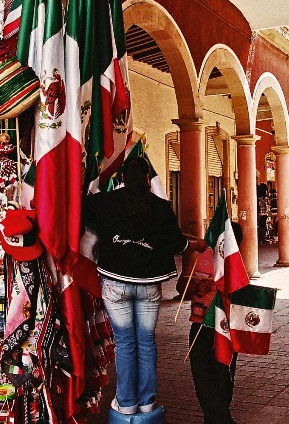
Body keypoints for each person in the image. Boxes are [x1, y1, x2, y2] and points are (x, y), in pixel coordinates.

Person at [83, 156, 206, 416]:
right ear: (148, 179)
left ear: (124, 178)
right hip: (149, 286)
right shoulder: (161, 207)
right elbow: (175, 243)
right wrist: (193, 245)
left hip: (115, 283)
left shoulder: (106, 202)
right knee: (146, 342)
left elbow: (82, 209)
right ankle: (147, 402)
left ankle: (126, 404)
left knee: (125, 343)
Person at [185, 222, 244, 424]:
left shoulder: (237, 265)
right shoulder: (200, 258)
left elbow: (242, 299)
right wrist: (196, 285)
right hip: (200, 326)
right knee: (202, 377)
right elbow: (181, 286)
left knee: (223, 378)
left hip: (225, 329)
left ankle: (217, 419)